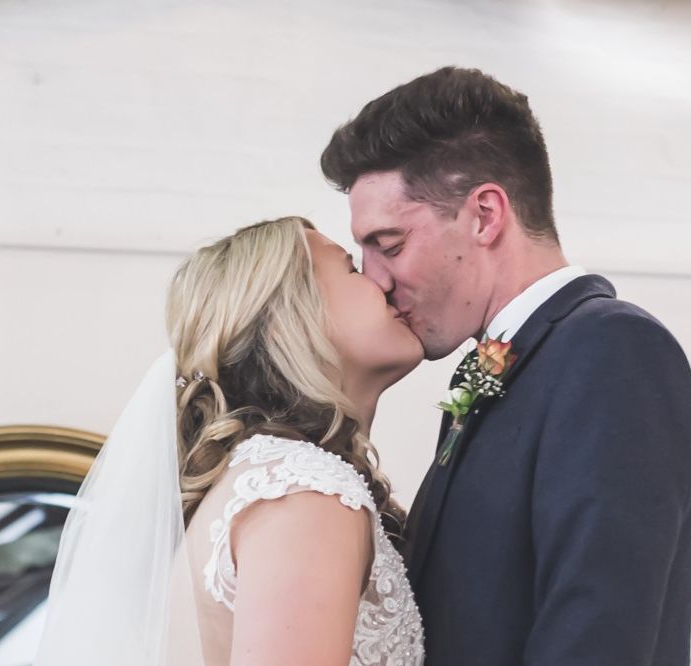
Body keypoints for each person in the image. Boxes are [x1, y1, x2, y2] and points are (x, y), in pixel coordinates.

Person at [321, 66, 691, 665]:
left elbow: (598, 632)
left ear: (486, 215)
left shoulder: (614, 352)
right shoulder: (492, 367)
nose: (376, 279)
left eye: (388, 245)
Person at [34, 217, 425, 666]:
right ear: (287, 322)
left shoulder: (269, 480)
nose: (384, 280)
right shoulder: (302, 492)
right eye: (352, 270)